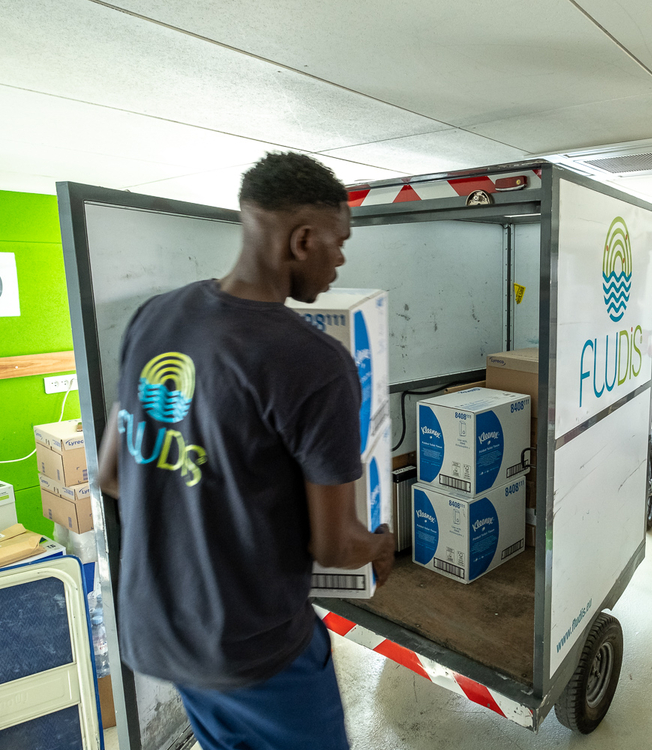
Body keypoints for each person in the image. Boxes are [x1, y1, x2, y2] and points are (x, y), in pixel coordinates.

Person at [96, 151, 395, 750]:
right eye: (339, 243)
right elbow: (334, 547)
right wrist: (381, 544)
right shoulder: (313, 363)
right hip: (253, 650)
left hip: (160, 632)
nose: (340, 260)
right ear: (303, 240)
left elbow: (112, 474)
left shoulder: (156, 316)